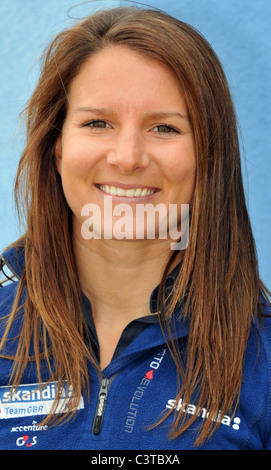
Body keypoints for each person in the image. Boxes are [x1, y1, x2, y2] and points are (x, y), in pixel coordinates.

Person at [0, 6, 270, 451]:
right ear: (57, 148)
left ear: (208, 158)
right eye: (97, 123)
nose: (127, 157)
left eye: (164, 127)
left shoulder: (263, 362)